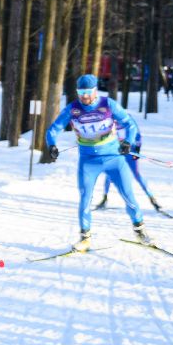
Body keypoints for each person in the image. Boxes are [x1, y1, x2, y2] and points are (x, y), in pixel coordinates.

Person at [41, 74, 147, 251]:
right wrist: (51, 145)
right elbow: (53, 129)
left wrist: (128, 142)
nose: (84, 96)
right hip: (89, 161)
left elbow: (130, 124)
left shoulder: (108, 104)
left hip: (114, 158)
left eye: (88, 92)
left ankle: (140, 230)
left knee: (128, 196)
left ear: (95, 90)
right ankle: (85, 238)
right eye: (81, 92)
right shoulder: (73, 109)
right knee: (85, 198)